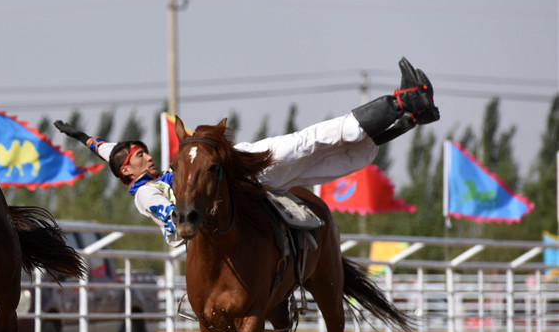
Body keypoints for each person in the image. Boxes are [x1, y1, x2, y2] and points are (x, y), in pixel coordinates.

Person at [55, 57, 439, 247]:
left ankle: (407, 118)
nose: (146, 156)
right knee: (309, 144)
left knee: (321, 159)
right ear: (125, 172)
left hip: (238, 181)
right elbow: (174, 224)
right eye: (137, 156)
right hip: (237, 182)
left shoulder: (159, 176)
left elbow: (104, 149)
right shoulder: (146, 194)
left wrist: (85, 139)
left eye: (143, 150)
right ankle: (404, 100)